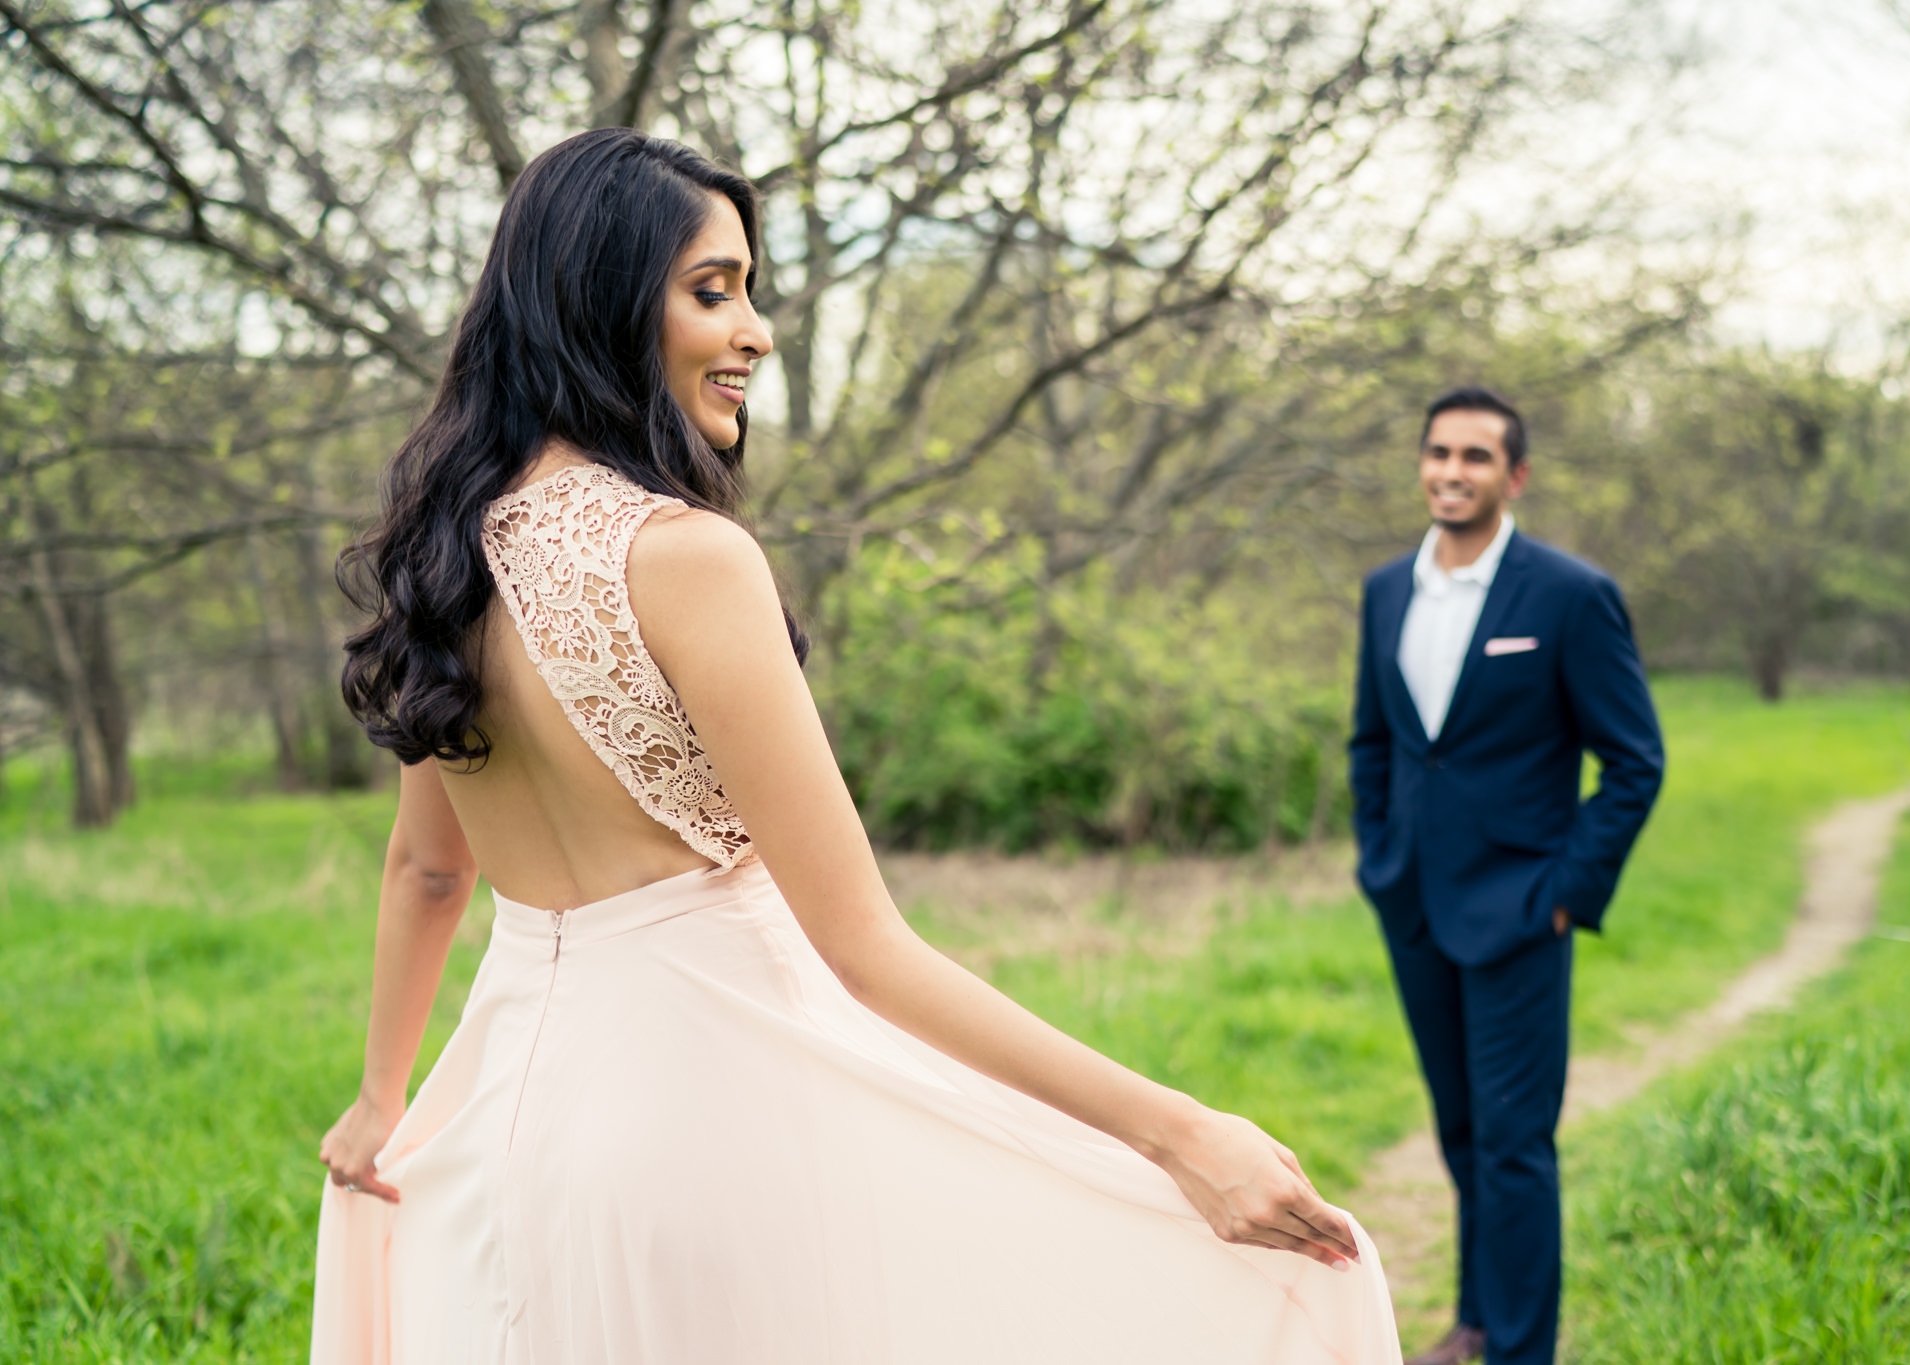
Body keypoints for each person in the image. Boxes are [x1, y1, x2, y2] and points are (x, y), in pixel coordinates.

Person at [309, 126, 1399, 1364]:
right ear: (604, 304)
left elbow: (429, 870)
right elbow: (865, 949)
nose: (755, 330)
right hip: (718, 1108)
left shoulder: (445, 555)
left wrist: (382, 1097)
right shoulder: (685, 558)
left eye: (750, 291)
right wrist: (1177, 1133)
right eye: (711, 291)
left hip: (503, 1117)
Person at [1346, 388, 1663, 1365]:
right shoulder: (1386, 590)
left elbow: (1633, 761)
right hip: (1412, 904)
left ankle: (1520, 1351)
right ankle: (1477, 1318)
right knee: (1457, 1131)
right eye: (1437, 452)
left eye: (1474, 457)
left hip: (1522, 912)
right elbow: (1374, 740)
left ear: (1512, 476)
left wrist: (1566, 891)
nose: (1451, 471)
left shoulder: (1566, 596)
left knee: (1514, 1147)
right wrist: (1377, 857)